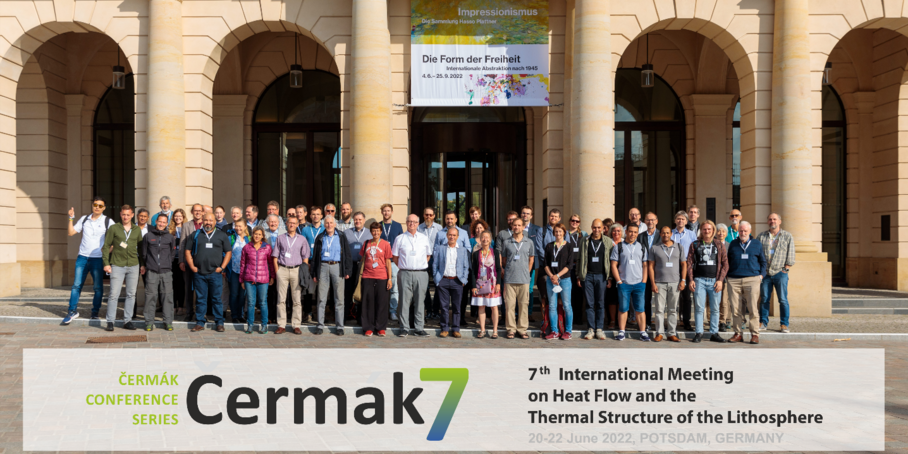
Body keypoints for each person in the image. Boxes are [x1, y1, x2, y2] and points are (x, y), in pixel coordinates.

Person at [64, 197, 116, 324]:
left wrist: (106, 253)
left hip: (98, 259)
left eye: (100, 205)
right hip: (82, 257)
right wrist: (71, 218)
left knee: (98, 287)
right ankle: (72, 311)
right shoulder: (84, 219)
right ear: (92, 206)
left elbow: (116, 239)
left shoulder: (108, 221)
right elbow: (71, 232)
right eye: (95, 205)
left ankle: (95, 313)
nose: (97, 207)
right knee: (76, 285)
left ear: (104, 208)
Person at [185, 213, 232, 332]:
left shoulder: (221, 235)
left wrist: (222, 267)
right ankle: (200, 322)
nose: (208, 222)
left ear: (215, 222)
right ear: (202, 221)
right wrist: (192, 266)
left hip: (215, 273)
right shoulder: (196, 234)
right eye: (206, 220)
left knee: (217, 299)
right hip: (199, 273)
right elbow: (187, 251)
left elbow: (228, 252)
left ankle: (219, 322)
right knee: (201, 299)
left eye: (211, 220)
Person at [686, 220, 729, 343]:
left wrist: (720, 280)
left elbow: (725, 264)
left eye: (709, 229)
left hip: (715, 281)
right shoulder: (695, 244)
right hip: (699, 280)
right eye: (704, 229)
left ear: (713, 230)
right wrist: (691, 279)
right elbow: (689, 263)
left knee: (715, 308)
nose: (707, 231)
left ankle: (714, 333)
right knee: (699, 308)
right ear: (701, 231)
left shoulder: (719, 245)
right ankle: (699, 332)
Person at [102, 204, 143, 331]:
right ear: (120, 214)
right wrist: (106, 263)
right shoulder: (114, 228)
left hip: (133, 265)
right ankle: (110, 321)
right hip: (117, 265)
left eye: (128, 214)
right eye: (123, 214)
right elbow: (106, 246)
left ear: (132, 215)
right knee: (114, 294)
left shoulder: (137, 230)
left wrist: (142, 264)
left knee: (131, 294)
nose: (125, 217)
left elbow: (141, 248)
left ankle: (128, 320)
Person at [391, 214, 432, 337]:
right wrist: (405, 267)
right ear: (406, 222)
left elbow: (428, 255)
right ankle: (404, 327)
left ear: (418, 223)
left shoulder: (424, 238)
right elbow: (395, 257)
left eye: (414, 222)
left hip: (421, 273)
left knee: (420, 301)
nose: (412, 224)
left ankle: (419, 328)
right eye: (409, 221)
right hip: (405, 273)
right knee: (404, 301)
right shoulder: (400, 238)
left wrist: (419, 265)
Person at [726, 221, 766, 344]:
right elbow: (728, 261)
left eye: (745, 231)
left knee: (753, 308)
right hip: (734, 280)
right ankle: (738, 333)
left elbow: (763, 262)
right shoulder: (733, 244)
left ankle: (755, 334)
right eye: (741, 231)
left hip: (752, 279)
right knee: (736, 309)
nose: (742, 233)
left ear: (750, 232)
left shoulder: (756, 244)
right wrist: (728, 276)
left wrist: (761, 276)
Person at [311, 215, 352, 335]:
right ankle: (320, 325)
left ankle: (340, 326)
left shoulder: (341, 236)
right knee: (321, 298)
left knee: (339, 298)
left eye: (331, 223)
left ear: (335, 224)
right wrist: (314, 272)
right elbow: (315, 256)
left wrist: (348, 270)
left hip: (337, 267)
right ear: (324, 225)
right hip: (323, 267)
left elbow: (347, 254)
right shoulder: (320, 237)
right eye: (327, 223)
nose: (329, 225)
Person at [757, 212, 795, 333]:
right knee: (764, 299)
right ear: (767, 221)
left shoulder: (787, 236)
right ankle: (763, 322)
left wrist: (786, 268)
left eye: (774, 219)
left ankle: (784, 324)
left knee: (783, 299)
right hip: (765, 273)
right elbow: (757, 254)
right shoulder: (761, 236)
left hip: (780, 272)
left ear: (779, 221)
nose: (772, 221)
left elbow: (791, 253)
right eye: (770, 219)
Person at [272, 215, 311, 334]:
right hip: (282, 269)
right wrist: (277, 271)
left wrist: (303, 271)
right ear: (286, 224)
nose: (292, 225)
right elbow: (275, 256)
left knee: (297, 299)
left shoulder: (302, 239)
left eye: (294, 223)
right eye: (290, 223)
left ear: (297, 224)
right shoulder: (280, 238)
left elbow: (305, 257)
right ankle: (281, 324)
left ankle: (296, 325)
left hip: (296, 270)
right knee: (281, 299)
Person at [648, 226, 687, 342]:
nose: (665, 235)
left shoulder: (679, 247)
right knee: (659, 310)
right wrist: (653, 283)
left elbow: (684, 264)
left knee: (672, 310)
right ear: (660, 234)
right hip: (659, 283)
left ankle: (671, 333)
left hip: (675, 283)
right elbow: (651, 266)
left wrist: (683, 280)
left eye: (667, 233)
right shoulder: (655, 248)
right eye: (663, 233)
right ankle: (659, 333)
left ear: (671, 234)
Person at [610, 224, 649, 341]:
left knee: (640, 309)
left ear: (638, 233)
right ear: (626, 232)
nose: (633, 234)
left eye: (635, 232)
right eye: (630, 232)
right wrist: (619, 281)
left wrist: (644, 281)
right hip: (624, 283)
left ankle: (642, 332)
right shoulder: (619, 246)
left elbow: (645, 265)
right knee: (623, 308)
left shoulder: (642, 247)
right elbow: (613, 265)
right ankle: (622, 332)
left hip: (639, 283)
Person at [576, 219, 613, 340]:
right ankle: (591, 329)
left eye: (599, 228)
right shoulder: (585, 240)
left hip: (602, 276)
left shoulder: (607, 241)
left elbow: (611, 261)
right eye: (594, 228)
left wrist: (610, 277)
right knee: (589, 303)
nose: (596, 230)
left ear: (603, 228)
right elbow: (579, 259)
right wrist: (579, 275)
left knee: (600, 303)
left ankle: (599, 329)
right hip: (588, 276)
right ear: (591, 227)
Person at [140, 212, 176, 331]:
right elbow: (144, 253)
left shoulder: (170, 237)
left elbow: (172, 254)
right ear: (156, 222)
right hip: (152, 271)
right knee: (151, 297)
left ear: (167, 224)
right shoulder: (148, 236)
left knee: (167, 297)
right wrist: (149, 264)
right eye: (159, 221)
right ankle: (149, 322)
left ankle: (168, 321)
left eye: (164, 222)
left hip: (166, 272)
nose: (161, 224)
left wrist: (167, 264)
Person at [432, 227, 470, 338]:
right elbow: (435, 264)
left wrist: (464, 279)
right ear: (447, 236)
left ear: (457, 237)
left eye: (454, 235)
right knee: (443, 307)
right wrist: (436, 278)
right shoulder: (440, 248)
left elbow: (465, 266)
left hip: (457, 281)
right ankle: (444, 328)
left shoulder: (462, 250)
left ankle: (456, 329)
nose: (452, 237)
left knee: (456, 307)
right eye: (450, 235)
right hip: (443, 280)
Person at [501, 217, 535, 339]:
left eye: (519, 225)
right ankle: (511, 329)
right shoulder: (507, 242)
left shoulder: (529, 242)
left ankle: (522, 329)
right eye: (515, 225)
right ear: (512, 226)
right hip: (510, 279)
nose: (516, 227)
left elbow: (531, 259)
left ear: (523, 227)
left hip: (524, 279)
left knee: (523, 305)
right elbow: (504, 260)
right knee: (509, 305)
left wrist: (527, 272)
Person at [542, 223, 576, 340]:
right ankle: (554, 331)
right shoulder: (549, 246)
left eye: (560, 231)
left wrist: (557, 275)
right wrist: (552, 276)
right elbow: (545, 264)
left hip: (564, 279)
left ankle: (568, 331)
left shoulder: (569, 246)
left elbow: (569, 265)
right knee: (552, 306)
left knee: (567, 305)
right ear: (553, 233)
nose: (558, 233)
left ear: (564, 232)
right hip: (551, 280)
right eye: (556, 231)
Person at [360, 222, 393, 337]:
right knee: (368, 303)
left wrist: (389, 278)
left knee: (381, 303)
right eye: (373, 231)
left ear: (381, 232)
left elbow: (388, 262)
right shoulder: (366, 243)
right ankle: (368, 327)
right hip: (367, 276)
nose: (376, 233)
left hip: (382, 277)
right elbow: (363, 259)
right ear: (371, 232)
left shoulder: (385, 244)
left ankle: (380, 327)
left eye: (378, 231)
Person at [240, 226, 274, 334]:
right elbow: (243, 264)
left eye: (259, 234)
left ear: (262, 236)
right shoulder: (246, 247)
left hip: (263, 279)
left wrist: (272, 276)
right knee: (250, 302)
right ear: (252, 235)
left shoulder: (267, 247)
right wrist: (241, 280)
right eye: (255, 234)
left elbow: (271, 264)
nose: (257, 236)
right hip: (249, 279)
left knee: (263, 302)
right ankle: (250, 325)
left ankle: (264, 325)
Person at [471, 230, 502, 339]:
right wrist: (473, 285)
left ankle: (495, 330)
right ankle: (482, 330)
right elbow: (474, 271)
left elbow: (498, 269)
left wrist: (498, 283)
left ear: (490, 239)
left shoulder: (495, 252)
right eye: (483, 237)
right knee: (481, 306)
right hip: (480, 284)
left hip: (492, 283)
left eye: (487, 237)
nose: (485, 239)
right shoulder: (476, 254)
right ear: (480, 239)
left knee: (494, 307)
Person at [671, 211, 697, 331]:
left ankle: (686, 321)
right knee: (673, 296)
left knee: (686, 296)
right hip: (672, 267)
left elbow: (695, 250)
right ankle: (672, 322)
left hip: (686, 266)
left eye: (683, 219)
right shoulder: (670, 234)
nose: (680, 221)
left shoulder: (692, 234)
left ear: (686, 221)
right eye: (678, 219)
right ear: (675, 220)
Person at [301, 206, 326, 322]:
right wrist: (306, 263)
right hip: (309, 262)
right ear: (310, 216)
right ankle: (308, 313)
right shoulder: (305, 230)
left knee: (321, 290)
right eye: (313, 214)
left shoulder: (325, 229)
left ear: (322, 216)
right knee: (308, 290)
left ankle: (320, 314)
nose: (316, 216)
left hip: (322, 263)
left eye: (318, 214)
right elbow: (303, 247)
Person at [380, 204, 404, 321]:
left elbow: (401, 245)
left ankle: (393, 311)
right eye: (384, 211)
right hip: (380, 262)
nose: (386, 213)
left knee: (394, 288)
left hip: (393, 262)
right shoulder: (378, 226)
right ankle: (382, 311)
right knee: (381, 287)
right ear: (382, 212)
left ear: (392, 212)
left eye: (388, 211)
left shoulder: (398, 226)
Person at [344, 212, 368, 322]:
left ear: (364, 220)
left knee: (361, 291)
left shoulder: (369, 233)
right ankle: (345, 315)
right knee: (347, 291)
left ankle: (360, 318)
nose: (357, 221)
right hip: (350, 265)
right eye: (356, 219)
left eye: (360, 219)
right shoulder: (346, 233)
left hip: (363, 266)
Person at [636, 211, 659, 328]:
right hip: (644, 271)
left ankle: (660, 324)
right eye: (648, 220)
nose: (650, 222)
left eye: (653, 220)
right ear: (645, 221)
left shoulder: (662, 235)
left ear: (657, 221)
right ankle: (647, 322)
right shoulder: (640, 236)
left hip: (659, 271)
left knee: (660, 300)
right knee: (646, 298)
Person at [521, 206, 543, 322]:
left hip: (531, 263)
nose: (525, 215)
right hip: (518, 263)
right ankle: (519, 313)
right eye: (524, 213)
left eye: (528, 213)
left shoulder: (537, 229)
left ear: (531, 216)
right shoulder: (517, 227)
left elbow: (538, 247)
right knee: (518, 289)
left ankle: (529, 313)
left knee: (529, 289)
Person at [225, 219, 249, 324]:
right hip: (234, 270)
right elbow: (225, 254)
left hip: (245, 271)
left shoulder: (249, 240)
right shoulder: (230, 238)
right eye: (236, 226)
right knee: (234, 294)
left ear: (245, 227)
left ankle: (241, 315)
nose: (238, 228)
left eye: (240, 226)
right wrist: (224, 268)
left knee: (242, 294)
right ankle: (234, 315)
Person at [712, 223, 732, 331]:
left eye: (723, 231)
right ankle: (711, 321)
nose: (721, 233)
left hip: (726, 276)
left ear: (726, 233)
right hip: (713, 276)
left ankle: (722, 322)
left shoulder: (730, 245)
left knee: (724, 301)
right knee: (712, 301)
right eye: (719, 231)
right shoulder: (712, 244)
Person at [168, 209, 187, 317]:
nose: (178, 218)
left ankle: (181, 306)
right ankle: (173, 306)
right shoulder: (170, 229)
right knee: (172, 284)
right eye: (176, 216)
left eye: (180, 216)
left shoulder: (186, 227)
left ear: (183, 217)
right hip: (172, 260)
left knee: (181, 284)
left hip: (182, 259)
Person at [605, 224, 624, 329]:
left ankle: (620, 320)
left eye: (618, 231)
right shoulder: (608, 243)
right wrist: (609, 277)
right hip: (611, 275)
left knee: (622, 299)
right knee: (612, 299)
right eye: (614, 231)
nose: (616, 233)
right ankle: (612, 320)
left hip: (624, 275)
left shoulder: (625, 242)